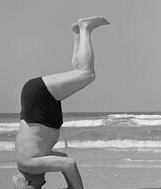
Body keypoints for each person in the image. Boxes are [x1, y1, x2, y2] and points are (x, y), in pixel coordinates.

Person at [13, 16, 110, 189]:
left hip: (40, 103)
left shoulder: (28, 164)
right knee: (78, 73)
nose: (43, 183)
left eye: (38, 188)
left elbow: (70, 165)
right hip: (37, 101)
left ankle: (85, 27)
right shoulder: (29, 161)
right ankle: (77, 33)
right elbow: (63, 159)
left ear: (27, 183)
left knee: (87, 74)